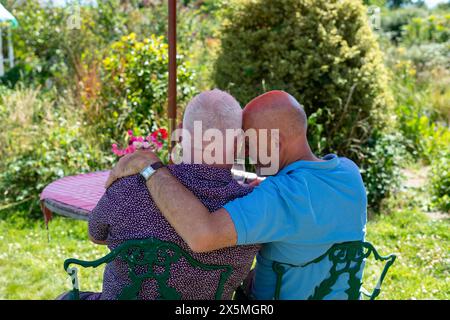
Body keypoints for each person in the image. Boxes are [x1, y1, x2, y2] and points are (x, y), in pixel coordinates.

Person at [106, 90, 368, 300]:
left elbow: (202, 235)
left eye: (250, 142)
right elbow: (301, 195)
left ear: (275, 143)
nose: (247, 153)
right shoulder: (347, 173)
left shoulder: (278, 199)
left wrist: (151, 168)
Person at [58, 89, 260, 300]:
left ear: (181, 135)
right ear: (238, 143)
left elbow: (95, 234)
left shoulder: (128, 187)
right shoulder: (251, 209)